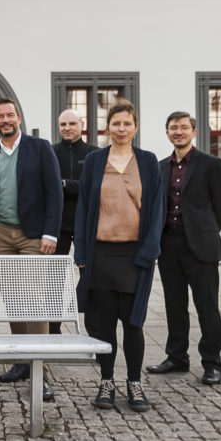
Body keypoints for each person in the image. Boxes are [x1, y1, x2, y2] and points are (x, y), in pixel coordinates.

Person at [75, 99, 164, 412]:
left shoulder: (149, 162)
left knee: (133, 324)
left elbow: (157, 212)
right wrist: (82, 254)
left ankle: (134, 383)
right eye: (116, 124)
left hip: (134, 255)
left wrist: (149, 252)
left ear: (135, 127)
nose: (122, 129)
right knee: (104, 324)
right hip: (101, 254)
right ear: (107, 128)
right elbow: (84, 207)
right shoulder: (96, 161)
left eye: (127, 124)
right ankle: (107, 381)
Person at [0, 97, 63, 400]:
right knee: (11, 297)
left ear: (19, 118)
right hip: (0, 233)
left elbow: (54, 191)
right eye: (0, 116)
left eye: (10, 115)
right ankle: (22, 360)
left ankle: (42, 367)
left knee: (33, 297)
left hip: (32, 235)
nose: (5, 120)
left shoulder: (40, 148)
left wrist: (51, 233)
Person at [146, 111, 221, 385]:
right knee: (174, 304)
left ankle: (212, 363)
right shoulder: (160, 167)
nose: (178, 132)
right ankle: (177, 357)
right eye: (173, 128)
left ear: (194, 132)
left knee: (207, 305)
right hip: (169, 243)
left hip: (201, 246)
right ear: (168, 133)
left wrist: (205, 231)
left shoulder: (210, 164)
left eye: (183, 127)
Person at [51, 109, 99, 338]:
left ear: (82, 125)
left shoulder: (94, 154)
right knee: (54, 281)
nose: (67, 128)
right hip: (58, 225)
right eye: (63, 124)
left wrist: (65, 185)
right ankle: (53, 331)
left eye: (71, 123)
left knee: (90, 279)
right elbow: (47, 187)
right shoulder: (51, 152)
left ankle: (95, 332)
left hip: (86, 225)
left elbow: (94, 188)